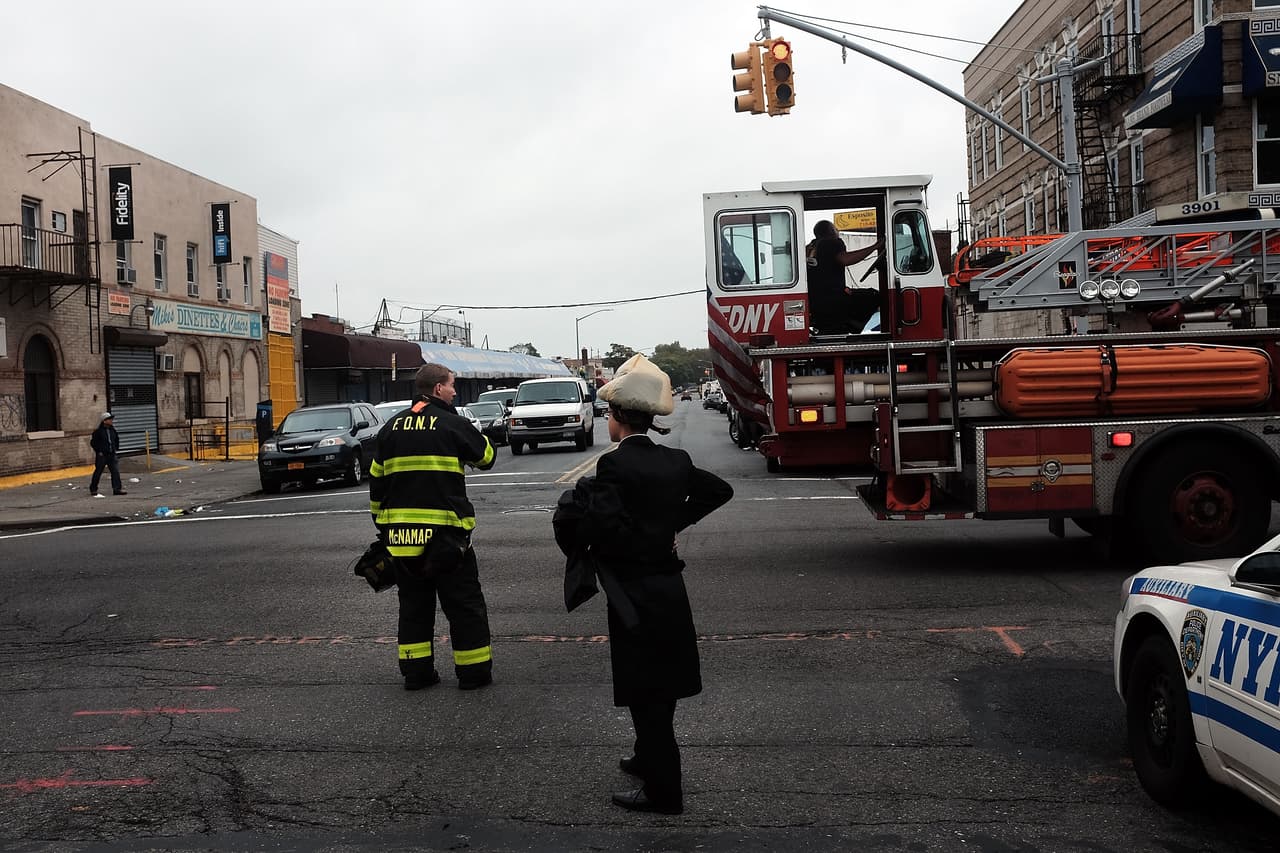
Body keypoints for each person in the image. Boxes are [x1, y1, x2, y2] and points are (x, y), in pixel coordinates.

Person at [566, 354, 733, 815]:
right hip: (669, 589)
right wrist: (671, 527)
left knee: (646, 691)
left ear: (617, 418)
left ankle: (664, 792)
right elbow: (720, 491)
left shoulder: (614, 467)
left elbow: (601, 528)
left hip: (634, 592)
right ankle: (645, 759)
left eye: (608, 417)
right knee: (661, 683)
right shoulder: (676, 460)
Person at [369, 363, 497, 691]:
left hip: (402, 539)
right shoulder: (452, 423)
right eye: (452, 386)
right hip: (447, 538)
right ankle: (473, 673)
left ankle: (417, 673)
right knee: (464, 605)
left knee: (414, 608)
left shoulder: (390, 428)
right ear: (439, 388)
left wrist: (383, 526)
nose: (455, 392)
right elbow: (486, 457)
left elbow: (376, 482)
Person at [807, 219, 881, 334]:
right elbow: (845, 259)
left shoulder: (811, 246)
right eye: (836, 229)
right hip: (834, 300)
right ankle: (851, 326)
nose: (838, 231)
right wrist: (874, 247)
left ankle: (846, 325)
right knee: (875, 295)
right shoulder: (833, 242)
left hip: (816, 302)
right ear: (831, 231)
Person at [89, 412, 126, 496]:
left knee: (115, 471)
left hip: (111, 454)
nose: (111, 421)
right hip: (102, 455)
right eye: (109, 419)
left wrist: (115, 449)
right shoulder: (98, 432)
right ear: (104, 421)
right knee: (98, 471)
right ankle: (93, 488)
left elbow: (116, 439)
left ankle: (117, 489)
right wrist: (99, 451)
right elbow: (93, 443)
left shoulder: (112, 430)